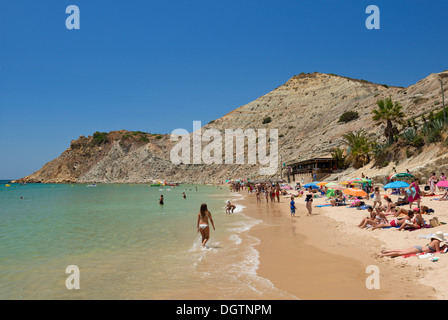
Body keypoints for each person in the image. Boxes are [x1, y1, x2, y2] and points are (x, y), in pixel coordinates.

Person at [378, 231, 447, 257]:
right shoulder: (437, 242)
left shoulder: (433, 240)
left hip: (418, 247)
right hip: (419, 250)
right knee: (400, 253)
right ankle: (383, 254)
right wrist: (443, 248)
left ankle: (385, 252)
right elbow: (437, 251)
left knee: (401, 250)